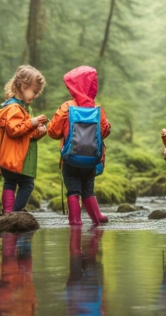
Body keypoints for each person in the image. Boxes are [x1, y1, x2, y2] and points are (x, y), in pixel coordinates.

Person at [48, 66, 111, 226]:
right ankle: (96, 222)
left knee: (73, 191)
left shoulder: (67, 107)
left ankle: (75, 222)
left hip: (70, 158)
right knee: (88, 191)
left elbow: (53, 132)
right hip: (91, 160)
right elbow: (103, 132)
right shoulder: (97, 109)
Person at [0, 65, 47, 213]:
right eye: (35, 92)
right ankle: (15, 212)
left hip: (13, 155)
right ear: (24, 87)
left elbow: (25, 133)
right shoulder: (13, 108)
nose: (36, 95)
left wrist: (38, 132)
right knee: (27, 185)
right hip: (17, 157)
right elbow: (14, 130)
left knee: (10, 183)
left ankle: (7, 212)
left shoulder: (22, 107)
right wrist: (34, 122)